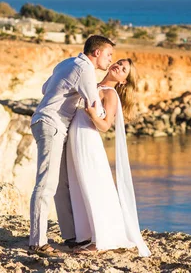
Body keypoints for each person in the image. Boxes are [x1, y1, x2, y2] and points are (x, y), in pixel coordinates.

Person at [28, 35, 115, 257]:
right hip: (52, 124)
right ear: (96, 53)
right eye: (108, 55)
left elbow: (45, 87)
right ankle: (37, 242)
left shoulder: (67, 63)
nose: (110, 60)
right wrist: (105, 111)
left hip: (47, 121)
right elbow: (94, 104)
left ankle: (71, 236)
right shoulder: (85, 69)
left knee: (61, 184)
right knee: (47, 183)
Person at [67, 58, 151, 256]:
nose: (118, 67)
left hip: (88, 140)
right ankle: (89, 235)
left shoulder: (110, 94)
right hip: (76, 138)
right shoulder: (94, 85)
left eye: (123, 70)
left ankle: (102, 240)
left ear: (123, 81)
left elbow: (105, 126)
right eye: (120, 63)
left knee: (94, 186)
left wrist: (92, 115)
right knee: (80, 186)